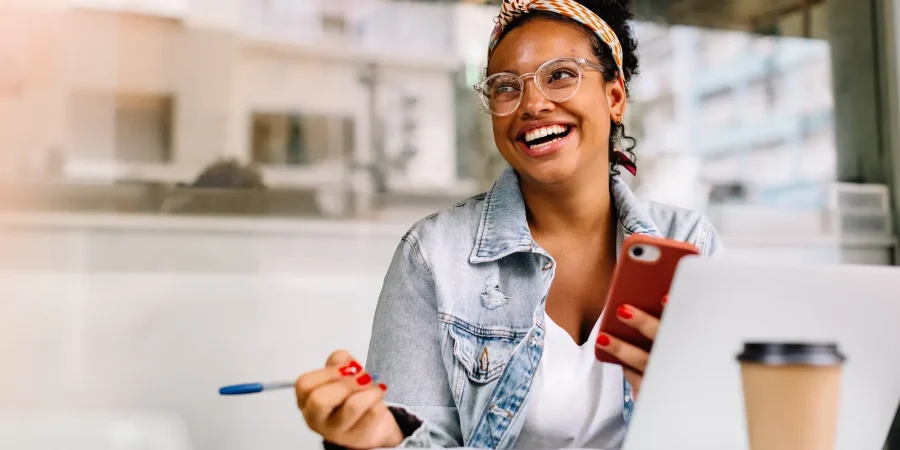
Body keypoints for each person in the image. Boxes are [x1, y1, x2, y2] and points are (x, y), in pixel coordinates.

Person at [294, 0, 722, 448]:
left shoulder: (688, 245)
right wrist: (380, 438)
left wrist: (684, 396)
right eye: (505, 87)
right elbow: (417, 436)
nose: (533, 104)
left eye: (560, 75)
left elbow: (732, 428)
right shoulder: (433, 255)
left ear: (614, 97)